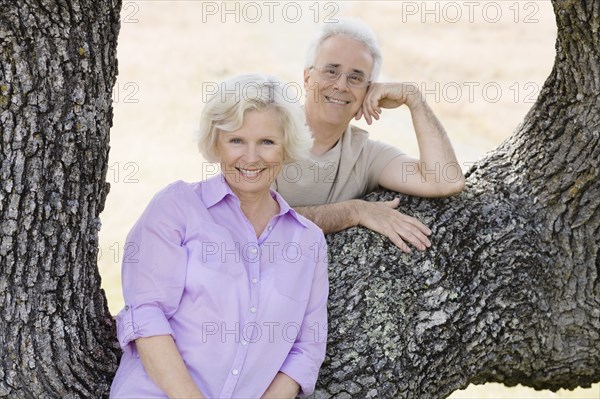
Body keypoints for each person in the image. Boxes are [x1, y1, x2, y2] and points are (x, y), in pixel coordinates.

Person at [110, 74, 329, 399]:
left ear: (287, 148)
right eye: (236, 140)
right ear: (215, 143)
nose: (252, 157)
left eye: (267, 142)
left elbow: (306, 350)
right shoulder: (176, 208)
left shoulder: (308, 241)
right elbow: (146, 316)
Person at [275, 18, 465, 254]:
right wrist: (356, 211)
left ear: (368, 90)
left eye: (355, 77)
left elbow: (445, 180)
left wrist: (414, 99)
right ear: (307, 78)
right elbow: (251, 221)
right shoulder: (267, 135)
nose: (341, 85)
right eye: (331, 71)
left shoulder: (365, 155)